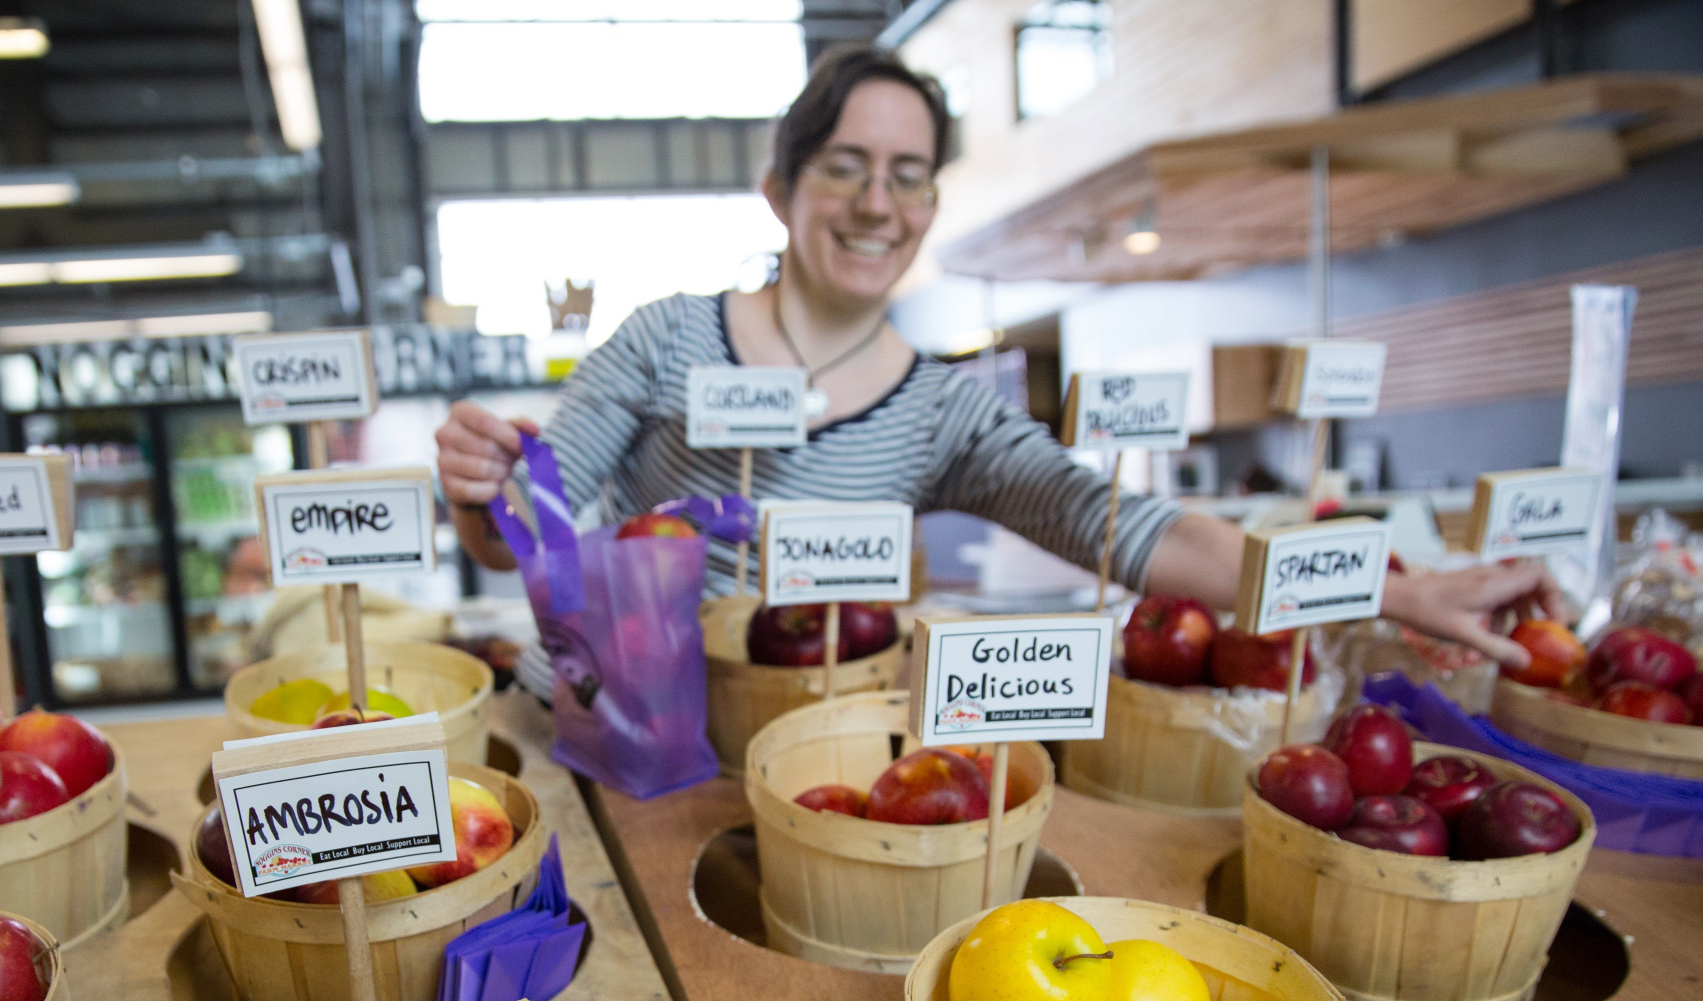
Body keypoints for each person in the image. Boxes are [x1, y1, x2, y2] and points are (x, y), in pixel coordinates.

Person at [435, 45, 1564, 698]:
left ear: (929, 204)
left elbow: (1137, 532)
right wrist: (480, 492)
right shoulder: (663, 341)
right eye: (844, 167)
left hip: (825, 739)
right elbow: (519, 528)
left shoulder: (941, 414)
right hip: (644, 729)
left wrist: (1403, 589)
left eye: (908, 175)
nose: (877, 202)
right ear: (779, 189)